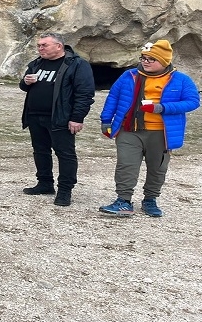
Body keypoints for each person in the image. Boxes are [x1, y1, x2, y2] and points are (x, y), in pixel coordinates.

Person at [98, 40, 199, 217]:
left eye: (151, 59)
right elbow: (113, 97)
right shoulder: (129, 76)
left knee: (157, 168)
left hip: (161, 133)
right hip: (129, 129)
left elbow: (193, 102)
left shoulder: (181, 79)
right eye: (143, 58)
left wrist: (162, 107)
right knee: (126, 165)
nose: (145, 62)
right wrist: (106, 121)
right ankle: (123, 201)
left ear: (164, 61)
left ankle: (150, 200)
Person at [19, 32, 95, 206]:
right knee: (40, 151)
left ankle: (65, 190)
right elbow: (23, 86)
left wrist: (77, 118)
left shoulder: (76, 64)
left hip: (60, 117)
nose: (40, 48)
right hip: (35, 115)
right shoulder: (37, 63)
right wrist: (26, 82)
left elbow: (84, 94)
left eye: (44, 45)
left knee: (65, 154)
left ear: (58, 46)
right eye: (38, 45)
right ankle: (45, 183)